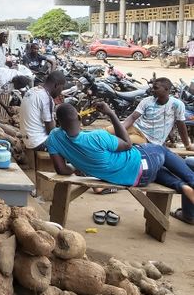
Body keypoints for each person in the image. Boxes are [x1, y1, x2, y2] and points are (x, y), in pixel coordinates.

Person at [47, 102, 194, 204]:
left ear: (58, 121)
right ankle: (191, 180)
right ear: (79, 117)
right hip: (142, 162)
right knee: (161, 150)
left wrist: (76, 167)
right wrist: (111, 113)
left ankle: (182, 186)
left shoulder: (53, 138)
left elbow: (61, 169)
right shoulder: (97, 137)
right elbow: (127, 145)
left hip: (137, 179)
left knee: (157, 170)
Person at [120, 77, 194, 150]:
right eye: (152, 87)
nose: (152, 90)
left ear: (167, 89)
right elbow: (133, 117)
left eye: (155, 88)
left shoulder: (177, 105)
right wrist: (121, 129)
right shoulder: (147, 100)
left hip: (147, 139)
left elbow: (180, 125)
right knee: (109, 133)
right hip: (134, 128)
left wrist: (187, 145)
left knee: (121, 142)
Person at [20, 71, 66, 151]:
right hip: (39, 143)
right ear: (56, 85)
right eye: (61, 88)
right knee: (70, 145)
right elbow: (51, 132)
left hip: (28, 140)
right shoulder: (46, 98)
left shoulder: (32, 90)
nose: (60, 92)